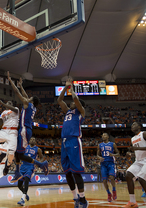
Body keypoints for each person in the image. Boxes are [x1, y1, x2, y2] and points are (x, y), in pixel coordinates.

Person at [6, 73, 48, 182]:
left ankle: (40, 164)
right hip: (26, 130)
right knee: (17, 151)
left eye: (30, 98)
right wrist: (21, 85)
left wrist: (10, 80)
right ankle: (17, 171)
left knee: (20, 154)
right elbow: (25, 95)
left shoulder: (27, 104)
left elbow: (17, 93)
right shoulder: (32, 106)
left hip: (24, 130)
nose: (28, 98)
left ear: (32, 101)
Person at [57, 78, 88, 208]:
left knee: (76, 172)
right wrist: (65, 87)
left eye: (74, 103)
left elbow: (75, 99)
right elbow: (59, 100)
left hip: (74, 141)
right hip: (64, 142)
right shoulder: (68, 111)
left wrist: (72, 88)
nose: (71, 103)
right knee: (67, 172)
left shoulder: (81, 112)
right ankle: (75, 197)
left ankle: (83, 199)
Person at [125, 122, 146, 208]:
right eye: (132, 125)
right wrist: (131, 154)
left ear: (139, 126)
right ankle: (132, 202)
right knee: (128, 175)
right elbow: (138, 152)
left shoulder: (144, 134)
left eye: (134, 124)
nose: (132, 126)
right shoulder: (132, 139)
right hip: (138, 161)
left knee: (141, 179)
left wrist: (137, 148)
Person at [17, 137, 44, 206]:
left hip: (30, 166)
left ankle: (22, 199)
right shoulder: (25, 147)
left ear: (35, 142)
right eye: (31, 139)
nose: (32, 140)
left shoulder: (38, 149)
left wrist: (38, 163)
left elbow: (42, 158)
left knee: (26, 180)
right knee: (19, 185)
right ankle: (25, 194)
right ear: (29, 141)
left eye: (34, 139)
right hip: (23, 166)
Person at [97, 133, 120, 202]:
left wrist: (113, 154)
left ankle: (114, 190)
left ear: (108, 136)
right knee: (104, 181)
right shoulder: (99, 145)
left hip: (110, 163)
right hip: (103, 164)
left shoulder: (112, 144)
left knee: (112, 177)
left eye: (104, 135)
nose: (103, 136)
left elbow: (118, 154)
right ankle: (109, 194)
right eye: (102, 135)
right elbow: (97, 155)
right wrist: (100, 158)